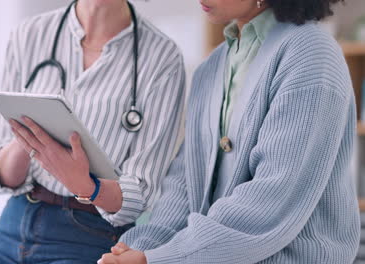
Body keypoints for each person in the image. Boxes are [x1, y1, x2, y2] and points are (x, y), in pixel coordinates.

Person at [99, 0, 361, 263]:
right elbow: (184, 185)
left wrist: (157, 258)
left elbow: (271, 199)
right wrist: (142, 247)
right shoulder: (210, 68)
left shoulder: (311, 53)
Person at [0, 0, 186, 263]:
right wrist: (30, 139)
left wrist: (85, 184)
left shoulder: (162, 58)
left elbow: (140, 195)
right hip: (15, 221)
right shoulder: (30, 34)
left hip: (89, 234)